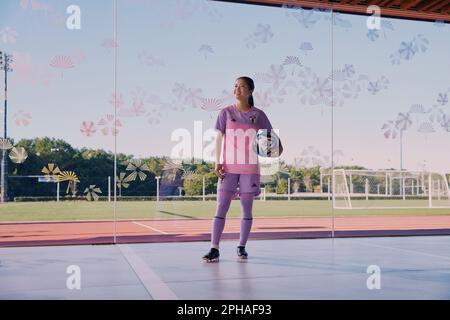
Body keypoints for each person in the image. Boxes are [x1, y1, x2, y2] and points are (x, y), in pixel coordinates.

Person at [202, 76, 283, 263]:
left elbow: (271, 140)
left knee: (246, 210)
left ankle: (242, 247)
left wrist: (272, 149)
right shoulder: (225, 113)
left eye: (242, 86)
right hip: (228, 168)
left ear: (250, 91)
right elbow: (218, 138)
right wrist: (217, 162)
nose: (237, 89)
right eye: (235, 86)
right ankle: (214, 248)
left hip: (250, 169)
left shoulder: (259, 115)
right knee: (221, 207)